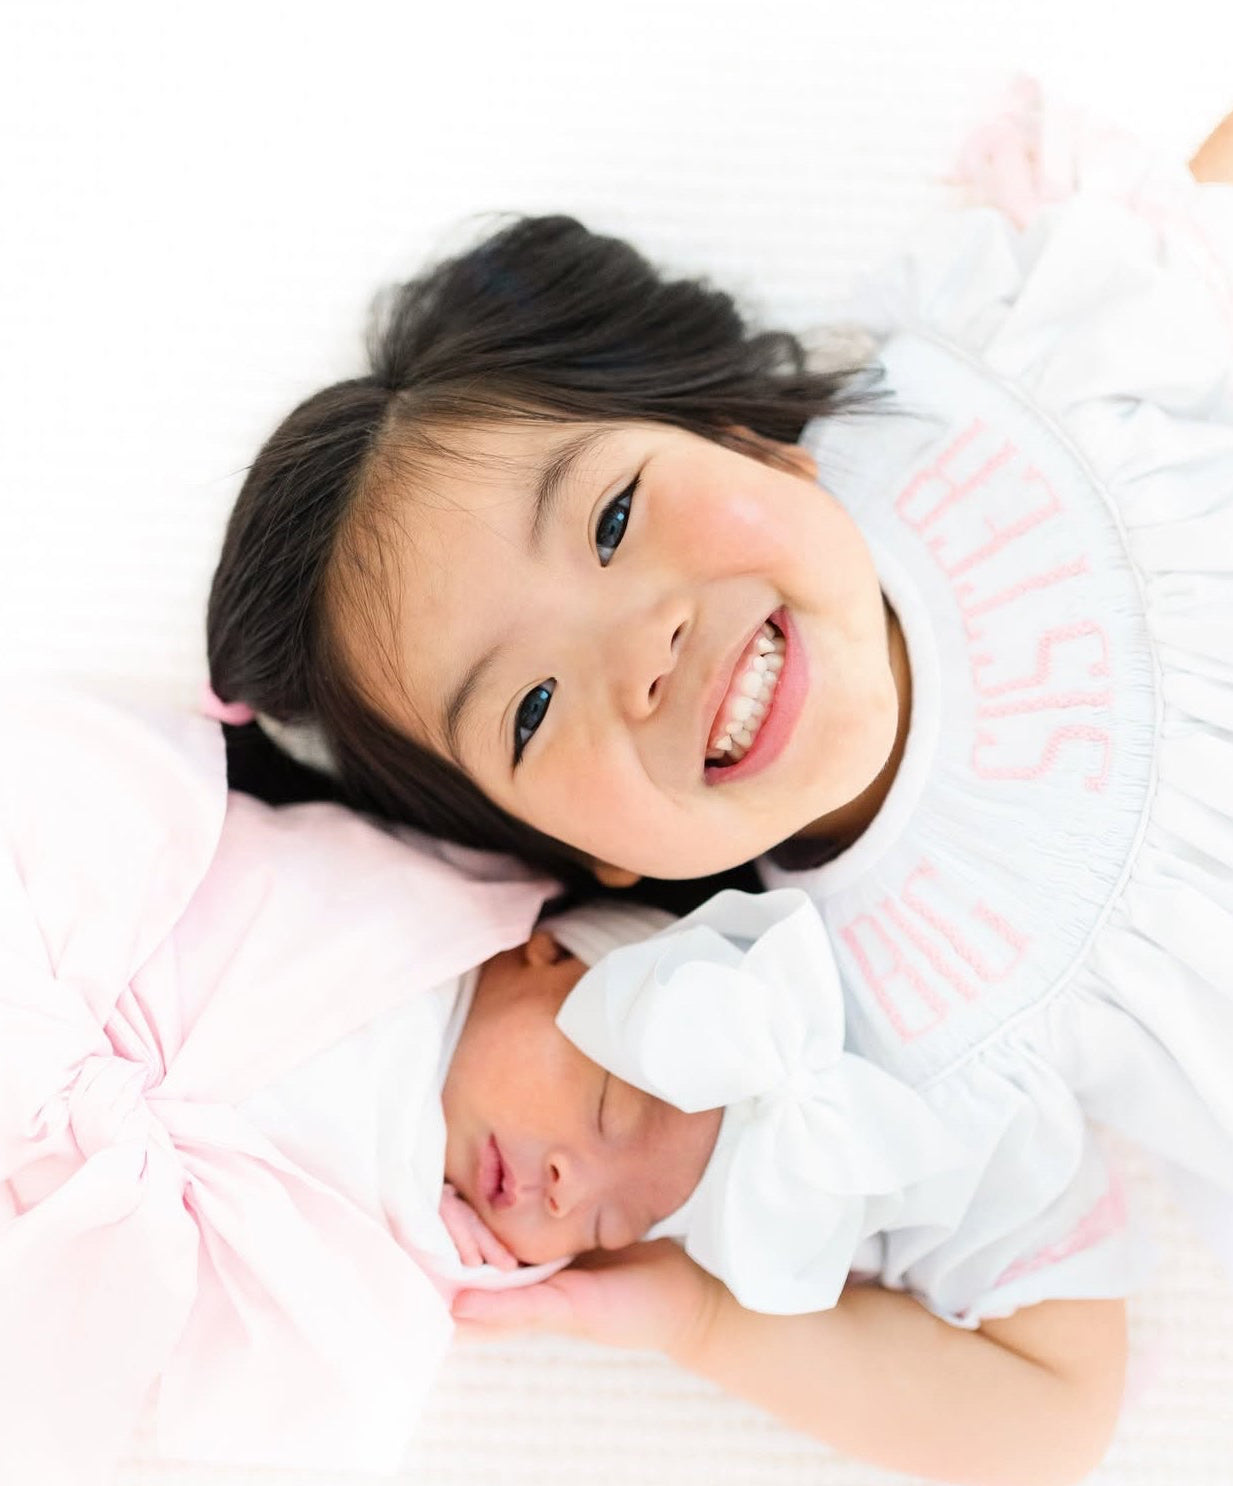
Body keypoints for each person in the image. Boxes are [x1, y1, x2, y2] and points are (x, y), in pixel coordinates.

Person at [204, 76, 1233, 1475]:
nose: (646, 644)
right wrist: (696, 1319)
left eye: (615, 513)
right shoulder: (856, 1042)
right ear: (590, 860)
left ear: (737, 433)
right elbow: (1048, 1409)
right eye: (530, 709)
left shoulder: (982, 399)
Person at [2, 688, 1128, 1486]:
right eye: (603, 1106)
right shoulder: (423, 906)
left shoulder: (424, 1254)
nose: (559, 1185)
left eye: (604, 1220)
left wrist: (691, 1315)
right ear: (543, 951)